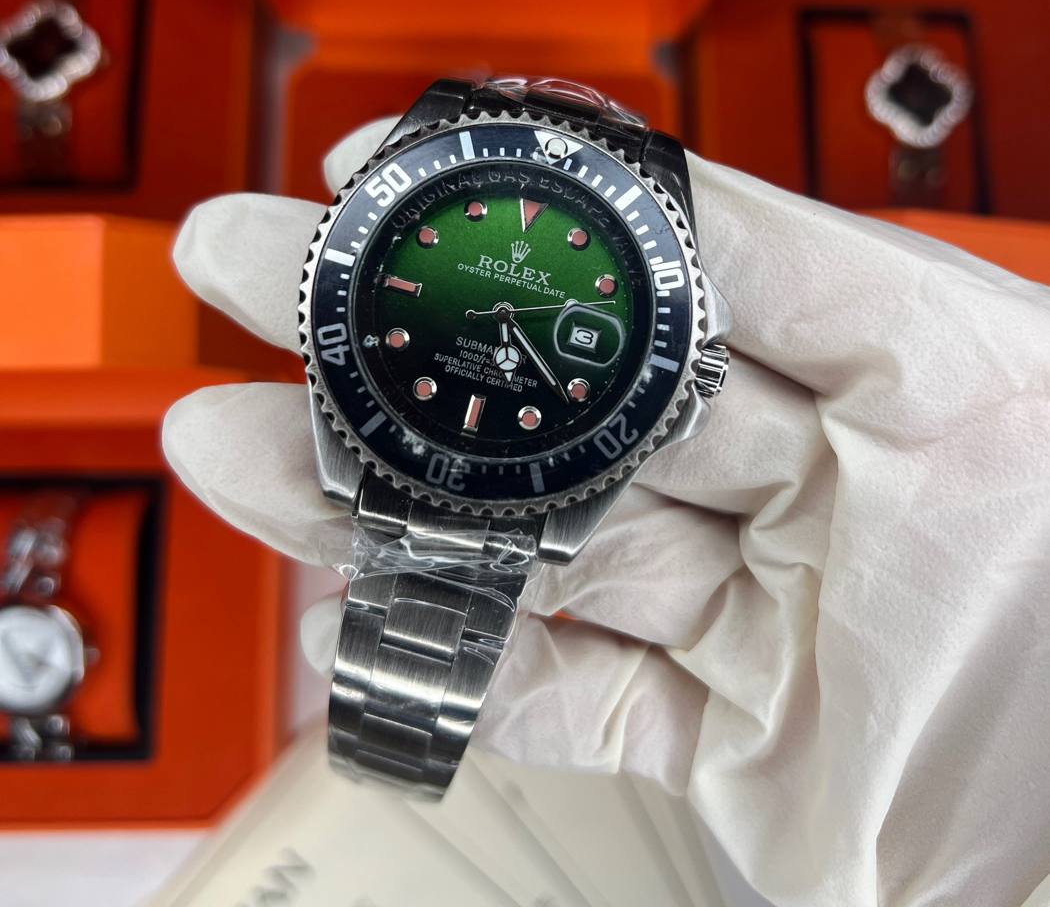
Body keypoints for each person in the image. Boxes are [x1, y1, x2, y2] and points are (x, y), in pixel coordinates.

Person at [163, 118, 1050, 907]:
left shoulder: (668, 368)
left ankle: (385, 761)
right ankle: (379, 762)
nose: (504, 312)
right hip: (418, 433)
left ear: (692, 376)